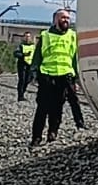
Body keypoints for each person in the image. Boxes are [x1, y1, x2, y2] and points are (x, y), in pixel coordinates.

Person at [29, 8, 84, 148]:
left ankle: (53, 133)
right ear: (55, 20)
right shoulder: (46, 36)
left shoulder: (73, 36)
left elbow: (74, 57)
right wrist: (34, 72)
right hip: (47, 75)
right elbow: (37, 56)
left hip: (65, 75)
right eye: (62, 17)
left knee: (57, 107)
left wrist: (76, 77)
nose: (66, 20)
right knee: (42, 108)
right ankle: (36, 137)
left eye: (67, 18)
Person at [16, 32, 37, 102]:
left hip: (30, 65)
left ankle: (23, 92)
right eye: (26, 36)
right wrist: (23, 55)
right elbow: (16, 53)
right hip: (22, 64)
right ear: (23, 38)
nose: (27, 38)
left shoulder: (33, 46)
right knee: (22, 80)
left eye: (29, 36)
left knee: (28, 79)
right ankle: (20, 96)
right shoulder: (21, 46)